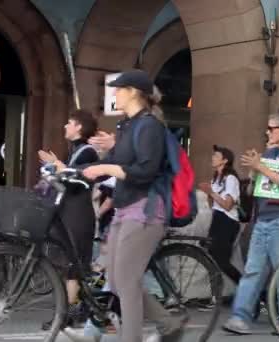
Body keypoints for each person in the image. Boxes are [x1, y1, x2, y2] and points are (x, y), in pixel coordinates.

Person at [82, 70, 185, 342]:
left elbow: (145, 171)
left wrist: (105, 165)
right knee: (117, 280)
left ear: (133, 92)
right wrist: (71, 170)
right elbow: (110, 166)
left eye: (118, 89)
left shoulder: (150, 125)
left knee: (126, 282)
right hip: (125, 208)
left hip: (147, 209)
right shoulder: (125, 126)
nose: (114, 93)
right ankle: (168, 324)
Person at [222, 106, 279, 335]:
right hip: (262, 219)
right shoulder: (269, 153)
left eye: (271, 129)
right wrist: (253, 173)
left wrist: (260, 166)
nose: (267, 133)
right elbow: (252, 191)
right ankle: (240, 317)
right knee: (253, 270)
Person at [37, 109, 99, 330]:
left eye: (70, 122)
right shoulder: (77, 150)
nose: (65, 126)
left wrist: (57, 166)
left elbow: (77, 178)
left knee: (76, 265)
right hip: (70, 213)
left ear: (79, 127)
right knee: (74, 265)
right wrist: (57, 164)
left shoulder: (88, 151)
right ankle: (76, 310)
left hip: (78, 215)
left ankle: (70, 314)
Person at [198, 145, 243, 289]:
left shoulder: (231, 179)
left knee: (222, 261)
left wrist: (211, 193)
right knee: (212, 255)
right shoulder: (216, 178)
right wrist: (209, 193)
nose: (213, 158)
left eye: (216, 156)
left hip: (228, 221)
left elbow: (227, 205)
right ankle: (216, 292)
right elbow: (214, 204)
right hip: (217, 218)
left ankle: (248, 291)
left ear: (225, 160)